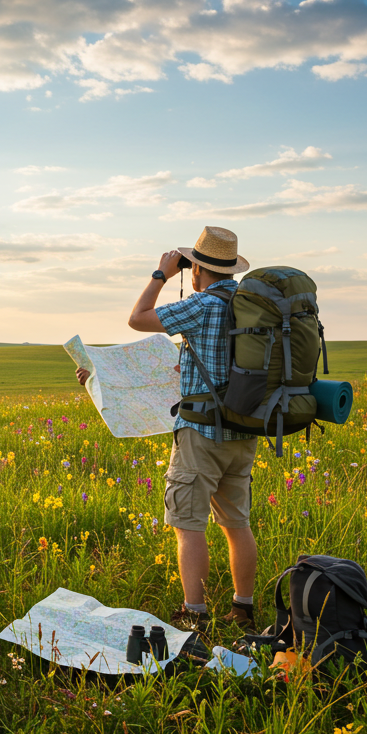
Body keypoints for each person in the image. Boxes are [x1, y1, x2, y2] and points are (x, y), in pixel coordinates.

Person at [75, 226, 258, 631]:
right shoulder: (249, 304)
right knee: (236, 523)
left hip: (201, 434)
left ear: (196, 269)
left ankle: (195, 615)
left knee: (188, 524)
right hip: (244, 429)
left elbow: (137, 319)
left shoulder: (202, 304)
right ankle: (243, 608)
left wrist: (160, 275)